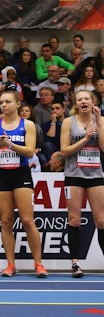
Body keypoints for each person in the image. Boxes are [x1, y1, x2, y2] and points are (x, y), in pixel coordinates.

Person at [0, 90, 47, 278]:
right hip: (2, 175)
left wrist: (9, 144)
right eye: (2, 102)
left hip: (21, 174)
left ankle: (39, 264)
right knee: (5, 222)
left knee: (28, 220)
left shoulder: (27, 125)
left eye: (8, 102)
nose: (4, 105)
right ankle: (10, 265)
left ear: (18, 104)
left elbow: (29, 152)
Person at [59, 90, 104, 279]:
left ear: (93, 102)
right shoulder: (69, 122)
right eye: (80, 99)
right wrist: (85, 139)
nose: (83, 101)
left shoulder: (100, 120)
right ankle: (75, 263)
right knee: (74, 220)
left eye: (87, 99)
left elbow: (103, 148)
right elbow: (64, 150)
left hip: (95, 174)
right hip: (73, 174)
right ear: (75, 103)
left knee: (101, 220)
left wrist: (99, 121)